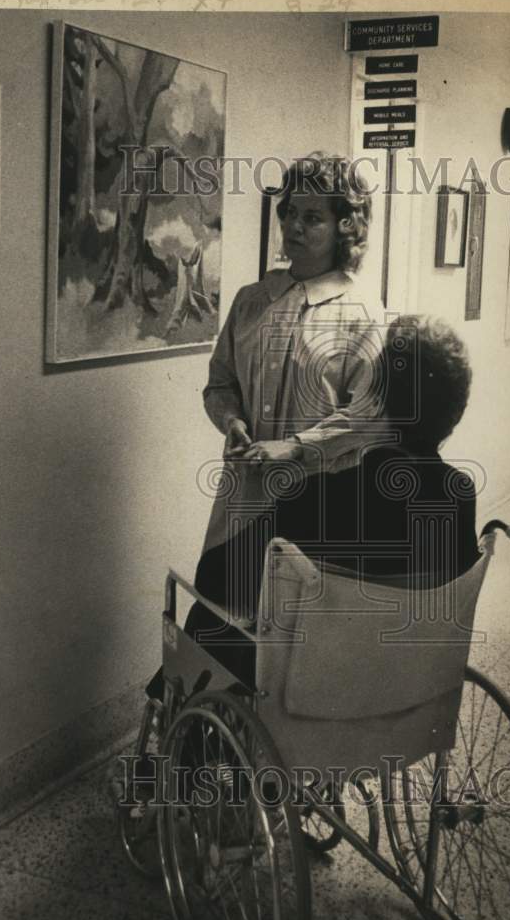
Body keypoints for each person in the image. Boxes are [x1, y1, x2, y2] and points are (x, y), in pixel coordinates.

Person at [145, 151, 389, 702]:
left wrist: (297, 447)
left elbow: (371, 415)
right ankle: (198, 762)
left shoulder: (362, 313)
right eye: (289, 213)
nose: (295, 228)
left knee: (284, 655)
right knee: (215, 633)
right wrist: (231, 420)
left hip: (318, 509)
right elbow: (219, 381)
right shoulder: (252, 300)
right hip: (242, 506)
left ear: (345, 226)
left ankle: (271, 768)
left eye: (313, 217)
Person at [172, 314, 481, 692]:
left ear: (376, 402)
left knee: (209, 620)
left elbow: (216, 579)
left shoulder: (320, 497)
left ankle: (184, 746)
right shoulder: (460, 493)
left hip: (313, 692)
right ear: (456, 411)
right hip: (404, 685)